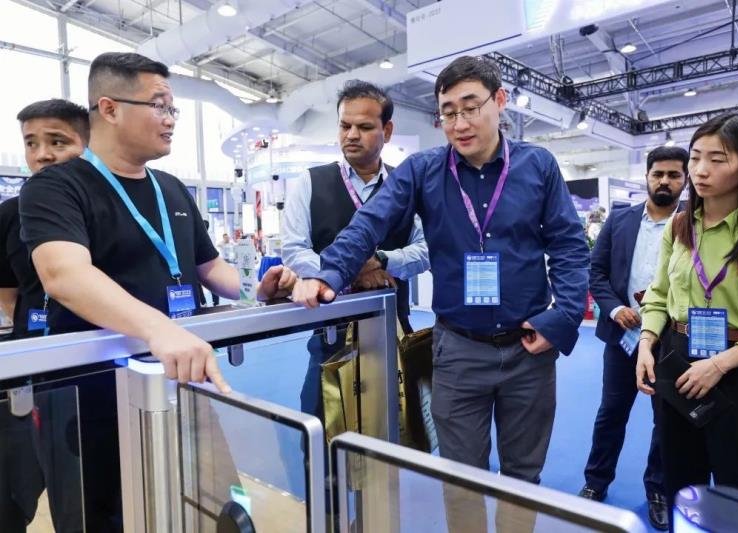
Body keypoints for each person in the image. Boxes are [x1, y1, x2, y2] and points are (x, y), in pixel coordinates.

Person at [292, 55, 588, 532]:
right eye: (448, 112)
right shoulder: (423, 170)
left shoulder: (538, 166)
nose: (459, 123)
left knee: (522, 477)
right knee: (460, 480)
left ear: (500, 101)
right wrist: (330, 273)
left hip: (528, 350)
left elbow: (569, 246)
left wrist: (564, 318)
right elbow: (370, 222)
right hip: (458, 352)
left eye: (471, 107)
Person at [18, 52, 296, 530]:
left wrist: (259, 290)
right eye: (159, 106)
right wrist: (158, 329)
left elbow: (210, 268)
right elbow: (64, 275)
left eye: (173, 109)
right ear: (109, 108)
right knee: (103, 517)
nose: (170, 120)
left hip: (184, 382)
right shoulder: (56, 188)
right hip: (92, 401)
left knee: (211, 508)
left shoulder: (171, 188)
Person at [635, 113, 738, 528]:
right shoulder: (679, 226)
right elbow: (659, 293)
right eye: (695, 157)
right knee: (681, 482)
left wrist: (721, 364)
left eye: (718, 159)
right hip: (675, 360)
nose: (700, 170)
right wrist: (646, 342)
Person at [281, 80, 429, 419]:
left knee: (397, 424)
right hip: (330, 333)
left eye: (364, 127)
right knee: (321, 423)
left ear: (386, 131)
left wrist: (383, 261)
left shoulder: (406, 186)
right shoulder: (310, 183)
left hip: (393, 328)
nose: (351, 135)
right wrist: (350, 275)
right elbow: (294, 249)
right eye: (344, 125)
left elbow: (425, 250)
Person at [578, 146, 689, 531]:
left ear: (685, 180)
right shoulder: (620, 220)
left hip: (670, 341)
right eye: (658, 174)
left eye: (673, 175)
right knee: (611, 412)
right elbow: (596, 272)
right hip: (622, 336)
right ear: (647, 177)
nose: (664, 181)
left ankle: (658, 490)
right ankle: (595, 482)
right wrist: (612, 309)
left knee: (666, 420)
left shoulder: (693, 223)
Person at [0, 99, 89, 533]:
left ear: (88, 144)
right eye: (31, 143)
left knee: (79, 499)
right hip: (29, 376)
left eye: (57, 141)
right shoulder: (9, 214)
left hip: (90, 372)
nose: (42, 155)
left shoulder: (99, 208)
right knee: (15, 493)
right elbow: (8, 293)